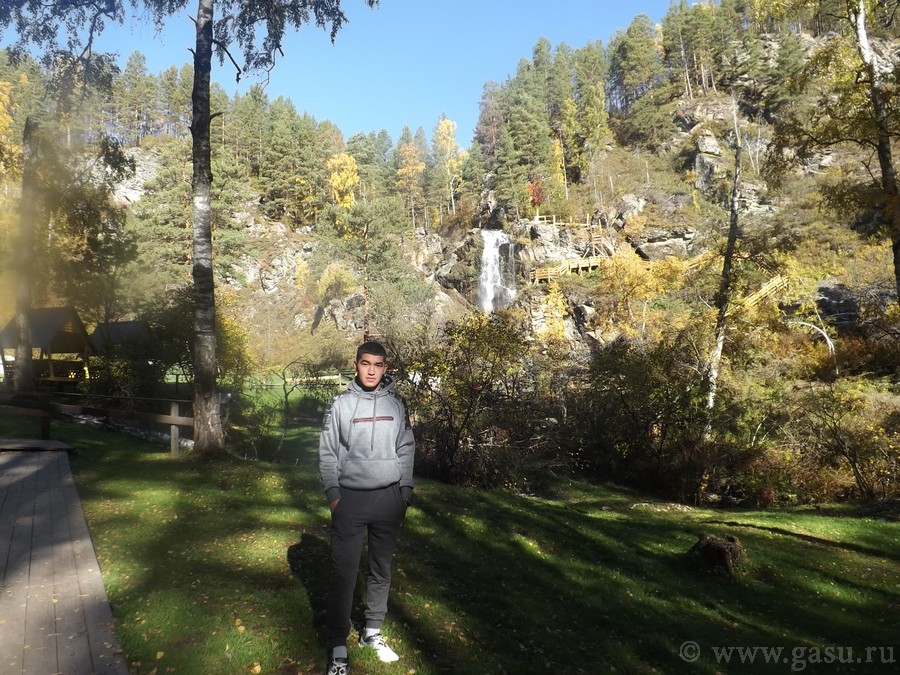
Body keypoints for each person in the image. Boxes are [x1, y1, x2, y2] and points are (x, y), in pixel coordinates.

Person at [319, 341, 415, 675]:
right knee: (343, 573)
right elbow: (328, 451)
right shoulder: (341, 404)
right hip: (350, 499)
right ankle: (338, 646)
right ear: (356, 364)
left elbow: (406, 446)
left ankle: (371, 633)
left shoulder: (397, 404)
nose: (371, 371)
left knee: (380, 569)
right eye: (365, 363)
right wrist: (334, 494)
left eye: (378, 364)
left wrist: (404, 490)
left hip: (388, 500)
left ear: (385, 367)